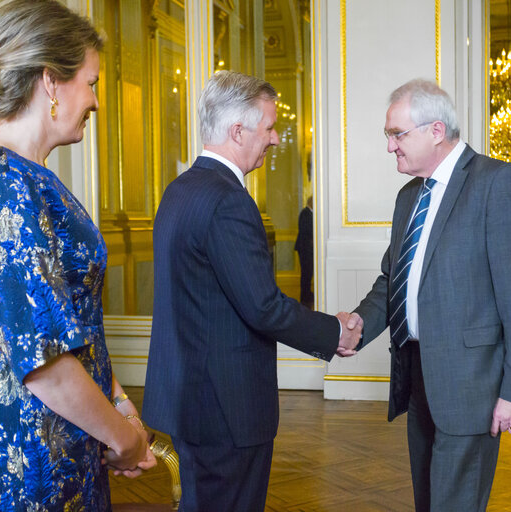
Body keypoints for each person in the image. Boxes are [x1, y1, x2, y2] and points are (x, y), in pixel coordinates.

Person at [0, 0, 155, 509]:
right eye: (92, 82)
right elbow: (46, 363)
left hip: (63, 424)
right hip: (30, 441)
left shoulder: (22, 177)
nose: (97, 101)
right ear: (51, 82)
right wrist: (123, 438)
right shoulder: (5, 185)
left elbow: (72, 323)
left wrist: (121, 406)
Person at [141, 71, 360, 511]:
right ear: (237, 131)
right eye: (269, 128)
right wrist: (333, 333)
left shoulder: (179, 191)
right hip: (227, 407)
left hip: (188, 398)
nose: (276, 138)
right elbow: (263, 307)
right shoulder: (228, 200)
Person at [341, 79, 511, 511]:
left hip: (473, 384)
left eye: (398, 134)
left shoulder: (498, 183)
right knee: (429, 501)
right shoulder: (408, 197)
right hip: (417, 378)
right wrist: (360, 323)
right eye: (388, 136)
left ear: (436, 130)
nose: (390, 147)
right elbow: (392, 279)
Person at [294, 196, 314, 307]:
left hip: (308, 249)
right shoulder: (305, 213)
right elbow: (305, 230)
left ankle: (307, 294)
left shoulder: (308, 213)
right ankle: (304, 297)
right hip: (304, 249)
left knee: (308, 273)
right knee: (306, 274)